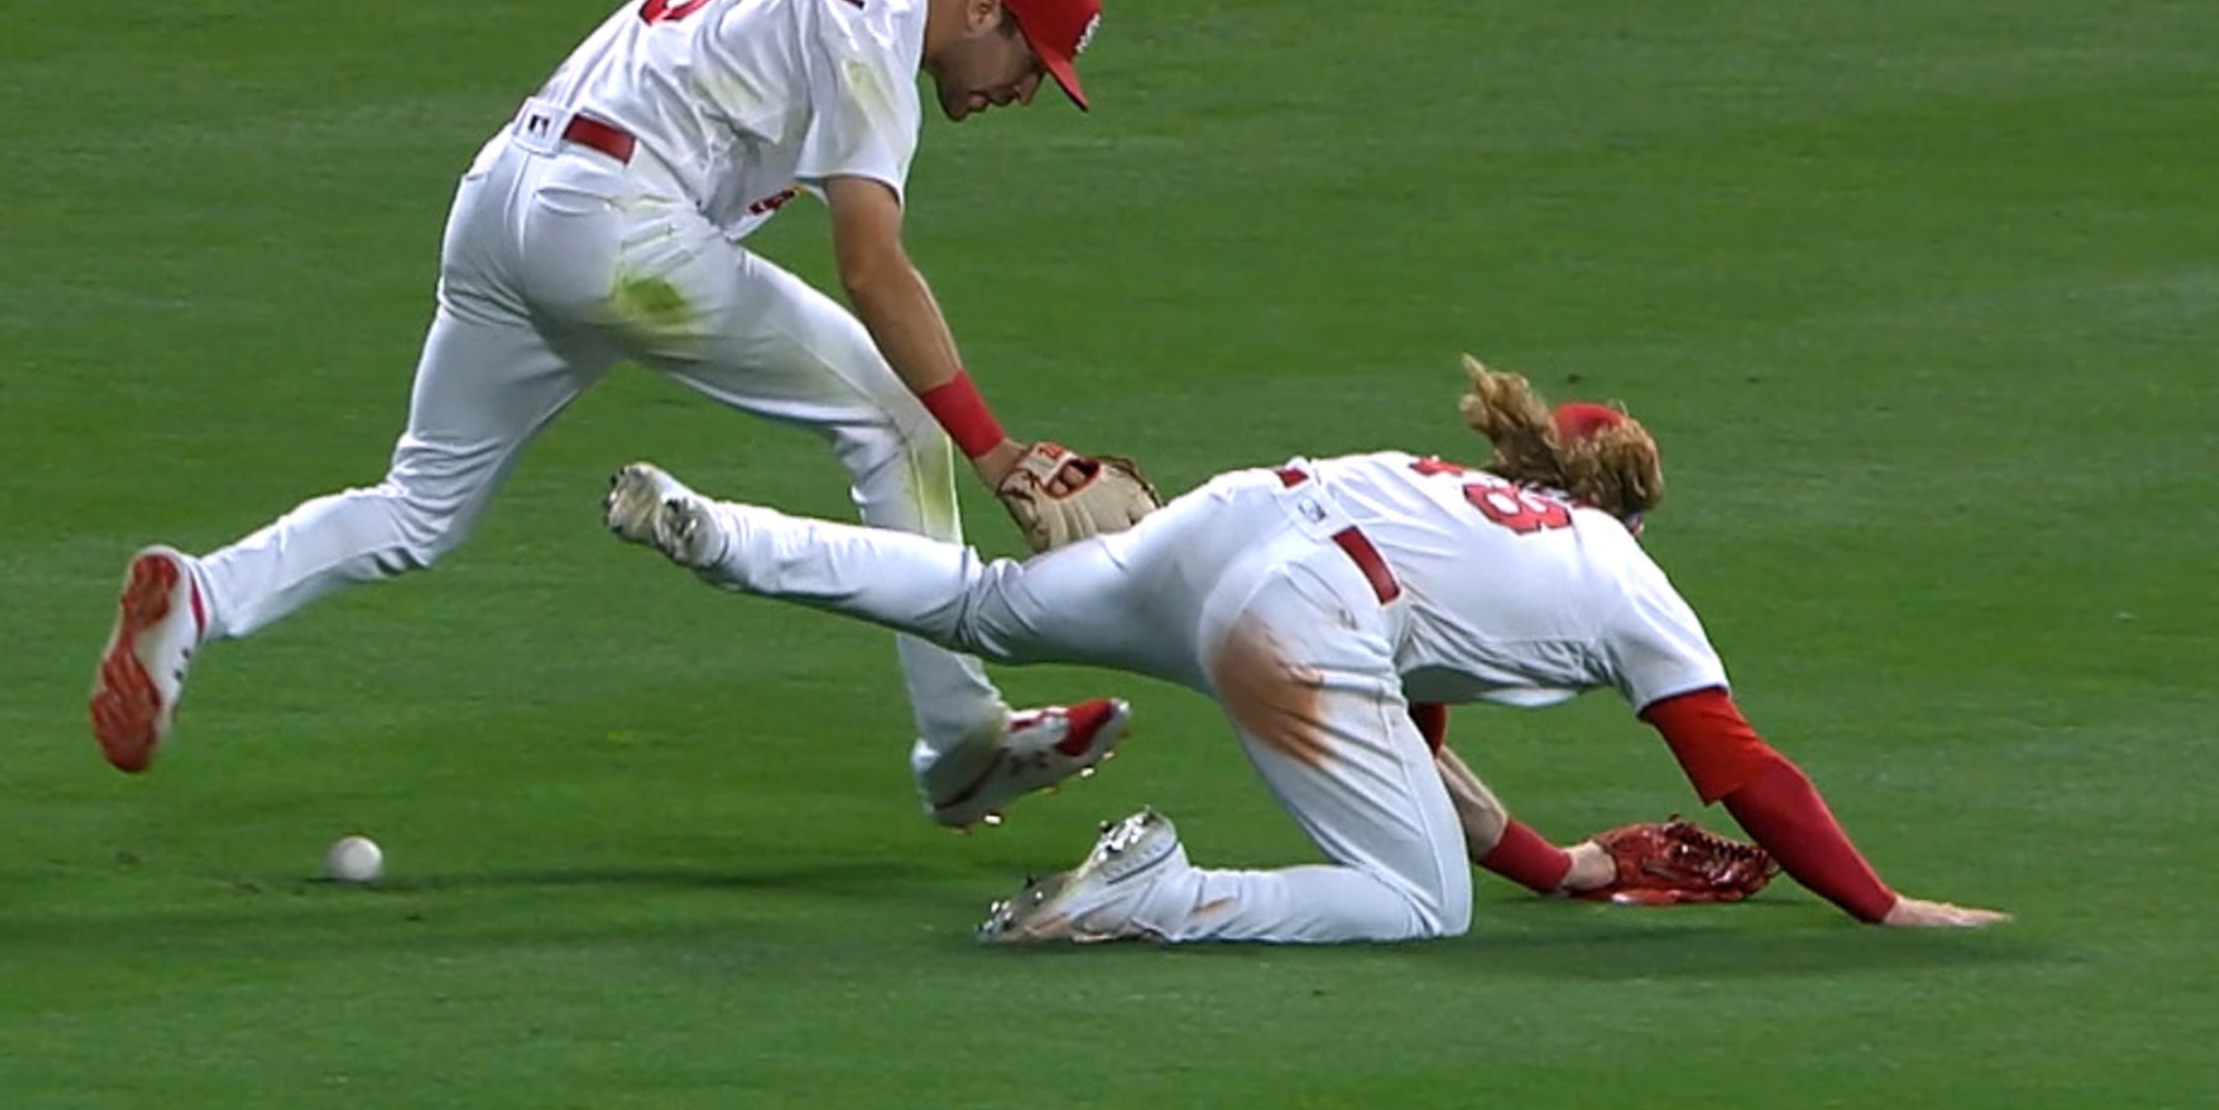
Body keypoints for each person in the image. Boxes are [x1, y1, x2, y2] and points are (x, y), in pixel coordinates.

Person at [88, 0, 1142, 829]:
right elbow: (873, 268)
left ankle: (201, 593)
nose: (1023, 89)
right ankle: (961, 741)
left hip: (504, 195)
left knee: (419, 508)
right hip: (613, 231)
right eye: (1029, 62)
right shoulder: (876, 41)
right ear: (984, 8)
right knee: (900, 415)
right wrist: (996, 453)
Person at [602, 358, 2011, 944]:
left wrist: (1567, 866)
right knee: (1416, 906)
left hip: (1228, 528)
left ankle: (720, 532)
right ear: (1633, 500)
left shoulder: (1458, 495)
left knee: (975, 603)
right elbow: (1738, 769)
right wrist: (1879, 905)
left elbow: (1409, 743)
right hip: (1308, 616)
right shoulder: (1624, 574)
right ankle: (1158, 894)